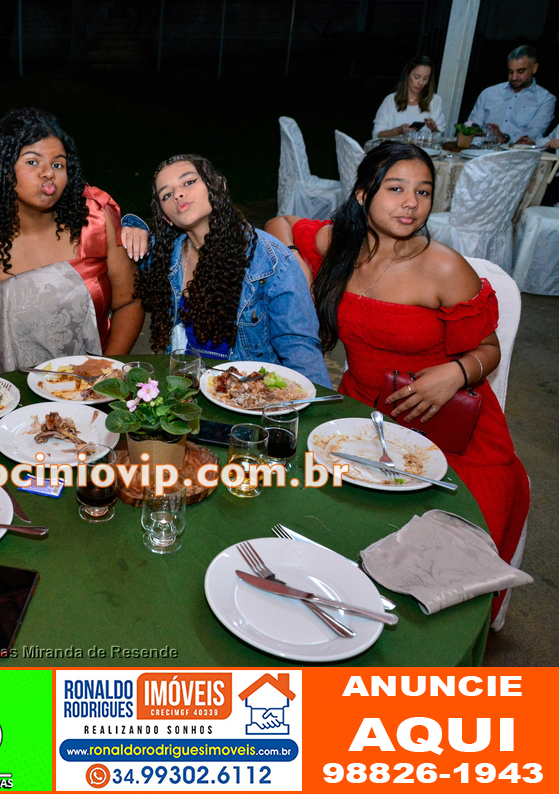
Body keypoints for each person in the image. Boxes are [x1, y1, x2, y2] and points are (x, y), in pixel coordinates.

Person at [268, 143, 530, 622]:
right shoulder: (340, 245)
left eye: (423, 192)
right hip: (363, 415)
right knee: (325, 524)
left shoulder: (444, 267)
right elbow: (280, 223)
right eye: (396, 189)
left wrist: (455, 373)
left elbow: (488, 349)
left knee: (444, 565)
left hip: (444, 422)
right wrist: (293, 260)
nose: (411, 203)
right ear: (363, 195)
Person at [0, 108, 143, 374]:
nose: (48, 173)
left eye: (58, 164)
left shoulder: (95, 223)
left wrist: (108, 369)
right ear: (5, 171)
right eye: (33, 162)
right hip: (6, 390)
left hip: (86, 386)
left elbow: (129, 303)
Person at [124, 154, 330, 386]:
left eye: (188, 182)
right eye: (167, 195)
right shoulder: (165, 255)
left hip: (248, 395)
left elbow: (299, 347)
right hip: (186, 389)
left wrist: (316, 400)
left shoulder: (270, 262)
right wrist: (132, 225)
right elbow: (114, 257)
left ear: (218, 185)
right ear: (166, 217)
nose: (178, 194)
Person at [467, 45, 555, 143]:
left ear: (534, 68)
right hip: (480, 148)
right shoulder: (489, 93)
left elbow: (535, 133)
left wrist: (505, 138)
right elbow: (471, 124)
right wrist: (473, 131)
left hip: (516, 151)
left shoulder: (545, 99)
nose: (513, 77)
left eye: (520, 72)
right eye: (510, 72)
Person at [372, 56, 446, 139]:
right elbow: (377, 135)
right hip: (395, 147)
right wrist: (397, 131)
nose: (421, 83)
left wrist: (434, 129)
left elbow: (440, 136)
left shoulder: (435, 100)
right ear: (407, 75)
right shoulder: (391, 100)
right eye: (416, 77)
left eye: (425, 79)